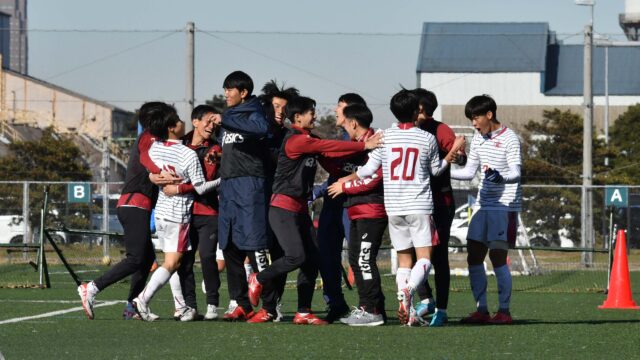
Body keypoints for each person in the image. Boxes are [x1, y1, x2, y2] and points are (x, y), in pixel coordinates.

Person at [247, 96, 382, 325]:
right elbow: (327, 147)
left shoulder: (310, 138)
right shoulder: (297, 139)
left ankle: (303, 311)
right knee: (296, 256)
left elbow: (330, 154)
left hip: (299, 210)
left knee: (312, 261)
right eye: (312, 112)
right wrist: (363, 145)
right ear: (298, 117)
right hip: (283, 209)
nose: (316, 116)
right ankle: (257, 278)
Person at [339, 89, 463, 326]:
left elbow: (367, 170)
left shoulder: (385, 136)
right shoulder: (426, 138)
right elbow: (436, 170)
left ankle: (402, 302)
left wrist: (346, 180)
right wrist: (453, 151)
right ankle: (408, 291)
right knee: (425, 258)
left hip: (394, 207)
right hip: (420, 205)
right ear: (417, 110)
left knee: (404, 261)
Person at [78, 102, 172, 320]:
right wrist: (159, 171)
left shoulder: (156, 139)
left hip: (138, 205)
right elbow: (147, 159)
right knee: (136, 258)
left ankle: (132, 306)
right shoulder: (149, 137)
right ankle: (91, 288)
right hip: (133, 204)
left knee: (147, 259)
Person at [131, 103, 220, 321]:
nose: (183, 123)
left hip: (160, 211)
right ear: (171, 127)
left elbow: (149, 165)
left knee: (173, 260)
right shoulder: (186, 154)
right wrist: (223, 180)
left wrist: (154, 176)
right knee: (172, 263)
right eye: (178, 121)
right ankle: (142, 299)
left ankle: (181, 307)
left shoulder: (156, 148)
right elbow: (200, 187)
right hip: (178, 214)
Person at [450, 94, 521, 325]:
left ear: (489, 115)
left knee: (498, 258)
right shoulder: (478, 137)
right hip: (481, 205)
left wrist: (500, 178)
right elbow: (469, 172)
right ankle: (481, 310)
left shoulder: (510, 138)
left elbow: (516, 173)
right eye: (471, 119)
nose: (473, 123)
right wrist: (440, 172)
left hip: (503, 208)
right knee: (474, 256)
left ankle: (504, 312)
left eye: (476, 118)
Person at [216, 71, 276, 321]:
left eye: (230, 89)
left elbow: (261, 128)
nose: (226, 93)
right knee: (229, 246)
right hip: (228, 187)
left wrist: (226, 121)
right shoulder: (229, 115)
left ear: (243, 93)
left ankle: (271, 307)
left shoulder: (256, 111)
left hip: (250, 186)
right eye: (225, 89)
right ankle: (241, 303)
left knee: (255, 245)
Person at [161, 105, 223, 321]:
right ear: (195, 121)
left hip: (208, 213)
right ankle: (190, 306)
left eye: (214, 123)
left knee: (207, 257)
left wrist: (178, 187)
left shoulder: (215, 149)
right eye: (208, 121)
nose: (211, 126)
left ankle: (213, 304)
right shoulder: (180, 143)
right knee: (184, 261)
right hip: (183, 213)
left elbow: (203, 183)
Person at [327, 104, 387, 326]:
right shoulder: (356, 145)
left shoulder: (378, 141)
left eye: (343, 121)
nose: (343, 126)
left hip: (371, 210)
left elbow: (375, 177)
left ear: (353, 122)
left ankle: (371, 310)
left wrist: (346, 187)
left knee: (363, 259)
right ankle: (371, 307)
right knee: (355, 258)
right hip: (356, 210)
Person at [411, 88, 467, 327]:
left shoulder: (439, 129)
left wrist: (459, 153)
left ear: (421, 108)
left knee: (439, 255)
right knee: (414, 253)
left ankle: (441, 310)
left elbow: (460, 155)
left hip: (439, 202)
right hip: (415, 202)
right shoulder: (406, 129)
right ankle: (426, 299)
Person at [246, 80, 300, 323]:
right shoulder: (257, 134)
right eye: (276, 106)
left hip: (281, 204)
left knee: (283, 255)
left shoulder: (291, 136)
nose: (280, 112)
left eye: (284, 107)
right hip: (257, 202)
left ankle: (272, 304)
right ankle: (245, 301)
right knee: (257, 253)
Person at [316, 93, 368, 322]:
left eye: (340, 107)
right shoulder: (338, 141)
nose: (336, 110)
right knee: (326, 254)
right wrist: (317, 191)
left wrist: (347, 184)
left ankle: (369, 306)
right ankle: (335, 304)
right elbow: (335, 174)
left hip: (355, 205)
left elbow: (370, 176)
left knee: (360, 257)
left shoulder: (371, 140)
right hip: (332, 204)